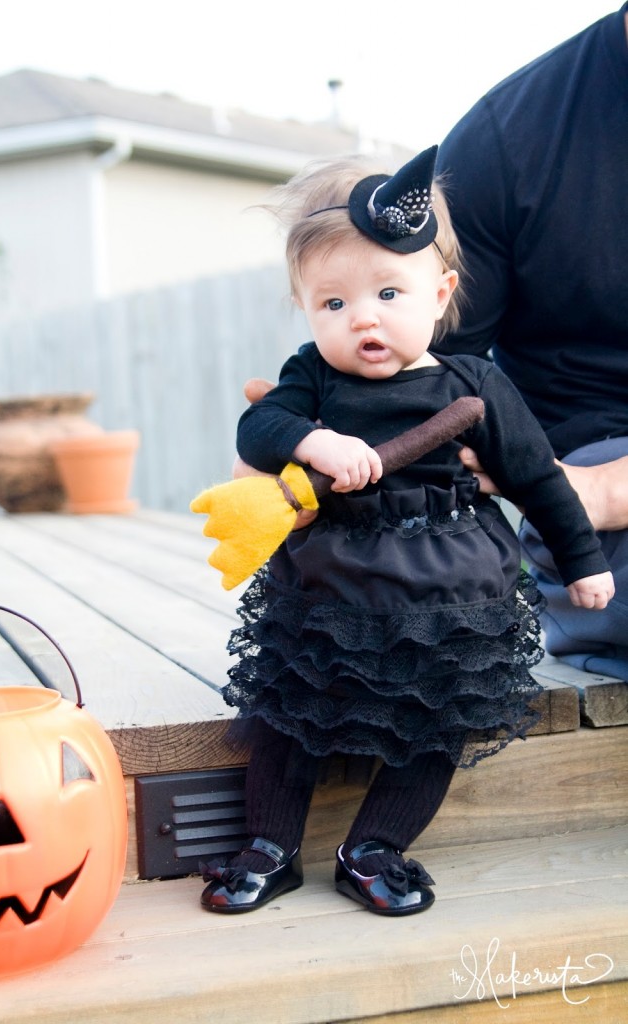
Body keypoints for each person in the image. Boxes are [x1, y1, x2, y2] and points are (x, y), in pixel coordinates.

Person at [198, 147, 613, 917]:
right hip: (333, 578)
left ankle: (375, 846)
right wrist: (313, 442)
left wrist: (582, 560)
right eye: (333, 304)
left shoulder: (474, 384)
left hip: (448, 588)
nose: (364, 318)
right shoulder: (313, 377)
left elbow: (540, 481)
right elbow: (261, 426)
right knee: (291, 711)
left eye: (389, 292)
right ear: (305, 307)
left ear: (441, 292)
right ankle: (271, 844)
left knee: (437, 721)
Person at [435, 3, 628, 679]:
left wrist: (612, 492)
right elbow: (430, 379)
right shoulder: (506, 141)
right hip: (595, 478)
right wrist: (306, 431)